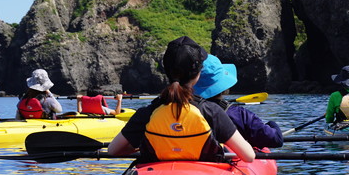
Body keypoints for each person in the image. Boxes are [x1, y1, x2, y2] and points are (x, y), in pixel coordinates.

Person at [107, 36, 255, 163]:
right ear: (198, 74)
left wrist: (143, 147)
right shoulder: (211, 111)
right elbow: (248, 156)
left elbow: (113, 150)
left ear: (166, 71)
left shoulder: (147, 112)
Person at [194, 54, 283, 148]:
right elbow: (276, 139)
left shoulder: (185, 111)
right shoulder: (240, 115)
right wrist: (271, 124)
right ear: (224, 87)